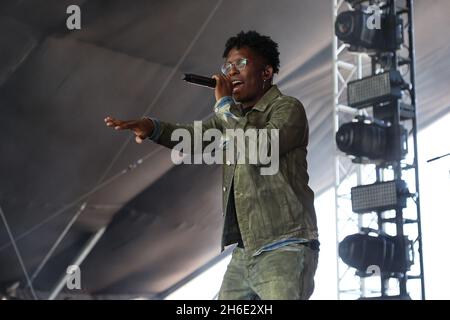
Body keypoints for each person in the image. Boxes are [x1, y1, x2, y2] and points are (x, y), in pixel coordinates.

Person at [105, 30, 319, 300]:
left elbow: (259, 147)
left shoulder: (287, 108)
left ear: (266, 73)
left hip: (285, 246)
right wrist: (152, 128)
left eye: (240, 64)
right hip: (246, 252)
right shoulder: (231, 116)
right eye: (227, 66)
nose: (231, 72)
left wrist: (224, 104)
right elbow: (194, 138)